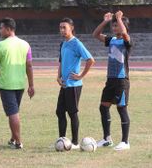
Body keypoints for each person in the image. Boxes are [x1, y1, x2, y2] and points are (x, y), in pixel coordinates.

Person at [0, 17, 35, 149]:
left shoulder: (0, 45)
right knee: (14, 112)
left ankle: (18, 142)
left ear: (9, 29)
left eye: (1, 28)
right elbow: (29, 66)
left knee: (13, 113)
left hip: (6, 85)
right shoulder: (25, 44)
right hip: (20, 85)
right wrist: (31, 85)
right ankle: (12, 138)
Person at [92, 10, 132, 151]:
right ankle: (107, 139)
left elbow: (125, 33)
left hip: (122, 81)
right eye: (113, 26)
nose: (115, 28)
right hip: (110, 80)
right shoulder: (111, 40)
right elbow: (95, 34)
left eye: (117, 25)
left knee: (121, 109)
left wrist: (120, 18)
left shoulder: (127, 41)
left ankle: (125, 142)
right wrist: (106, 21)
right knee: (103, 107)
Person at [56, 18, 95, 149]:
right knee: (60, 112)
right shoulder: (63, 44)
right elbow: (61, 61)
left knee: (72, 113)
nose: (62, 30)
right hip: (65, 85)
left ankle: (75, 143)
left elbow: (90, 60)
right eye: (60, 27)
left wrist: (81, 75)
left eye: (64, 27)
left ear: (71, 28)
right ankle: (62, 140)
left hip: (74, 85)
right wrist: (58, 76)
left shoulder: (76, 43)